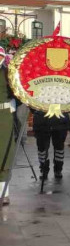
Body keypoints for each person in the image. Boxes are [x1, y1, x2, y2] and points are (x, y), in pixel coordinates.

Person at [33, 110, 68, 181]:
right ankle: (44, 169)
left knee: (59, 147)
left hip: (60, 118)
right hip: (41, 119)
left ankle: (58, 169)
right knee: (42, 148)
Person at [0, 47, 16, 204]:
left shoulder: (8, 73)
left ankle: (3, 192)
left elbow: (18, 92)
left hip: (3, 116)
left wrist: (13, 104)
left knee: (4, 152)